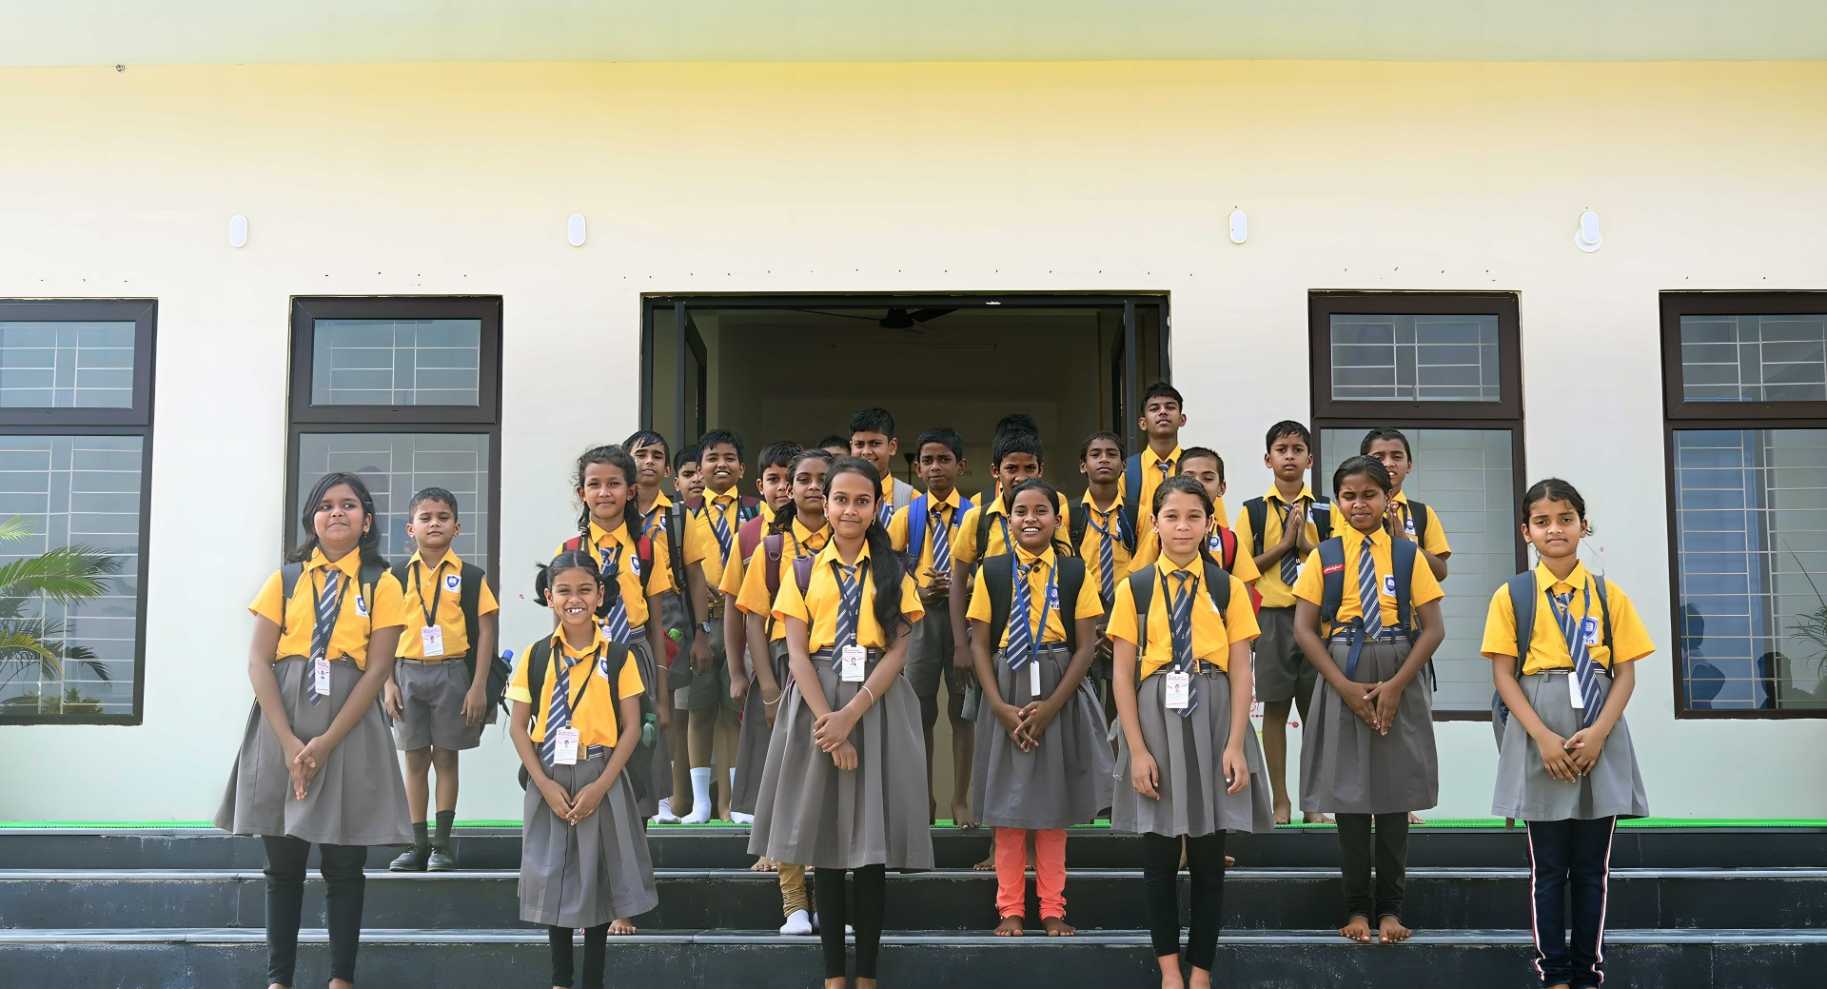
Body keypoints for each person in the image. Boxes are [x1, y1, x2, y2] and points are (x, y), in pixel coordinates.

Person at [216, 472, 412, 989]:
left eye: (349, 505)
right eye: (325, 506)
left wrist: (325, 743)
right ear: (311, 520)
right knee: (282, 865)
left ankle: (340, 979)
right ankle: (279, 978)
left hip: (349, 727)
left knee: (345, 864)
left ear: (367, 521)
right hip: (282, 719)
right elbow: (259, 662)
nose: (337, 513)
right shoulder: (285, 580)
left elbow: (376, 670)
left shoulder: (383, 583)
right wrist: (289, 742)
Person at [748, 458, 935, 989]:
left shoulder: (893, 569)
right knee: (825, 845)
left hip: (876, 704)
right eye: (840, 499)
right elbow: (798, 653)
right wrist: (828, 721)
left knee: (870, 848)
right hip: (816, 702)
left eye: (861, 500)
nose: (850, 509)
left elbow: (901, 649)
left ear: (877, 506)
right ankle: (834, 975)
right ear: (824, 504)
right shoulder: (803, 570)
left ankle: (868, 975)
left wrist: (853, 714)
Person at [1484, 478, 1651, 989]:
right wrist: (1541, 737)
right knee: (1549, 865)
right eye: (1542, 521)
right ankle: (1554, 972)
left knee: (1591, 867)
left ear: (1583, 524)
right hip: (1541, 730)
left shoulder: (1607, 594)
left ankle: (1587, 971)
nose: (1554, 529)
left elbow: (1625, 671)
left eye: (1565, 518)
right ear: (1526, 531)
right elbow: (1504, 675)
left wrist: (1599, 733)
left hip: (1598, 728)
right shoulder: (1513, 595)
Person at [1110, 476, 1272, 989]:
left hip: (1214, 713)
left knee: (1208, 858)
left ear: (1209, 525)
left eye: (1193, 517)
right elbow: (1120, 675)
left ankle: (1201, 971)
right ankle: (1168, 971)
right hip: (1155, 718)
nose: (1182, 526)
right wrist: (1136, 750)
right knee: (1158, 855)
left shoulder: (1226, 588)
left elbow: (1243, 671)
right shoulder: (1133, 588)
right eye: (1171, 516)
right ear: (1154, 523)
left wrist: (1234, 744)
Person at [1291, 455, 1445, 945]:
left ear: (1387, 498)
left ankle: (1390, 911)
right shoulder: (1324, 555)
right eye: (1349, 495)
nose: (1359, 504)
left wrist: (1397, 684)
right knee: (1350, 797)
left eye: (1369, 495)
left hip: (1397, 666)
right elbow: (1303, 628)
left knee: (1395, 796)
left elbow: (1434, 628)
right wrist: (1342, 686)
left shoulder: (1407, 554)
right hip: (1344, 670)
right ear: (1337, 502)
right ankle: (1357, 908)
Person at [966, 478, 1111, 938]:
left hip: (1057, 687)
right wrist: (998, 707)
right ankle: (1009, 907)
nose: (1030, 518)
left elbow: (1087, 645)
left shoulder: (1073, 573)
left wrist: (1050, 707)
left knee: (1053, 810)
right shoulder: (992, 571)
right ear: (1008, 521)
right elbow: (979, 644)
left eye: (1041, 510)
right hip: (1006, 687)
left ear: (1057, 517)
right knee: (1008, 813)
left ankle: (1052, 907)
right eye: (1020, 511)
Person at [509, 550, 660, 984]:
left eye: (584, 590)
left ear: (600, 597)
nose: (574, 599)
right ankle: (560, 980)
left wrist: (601, 786)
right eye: (564, 591)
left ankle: (592, 980)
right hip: (550, 775)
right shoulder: (536, 656)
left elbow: (631, 727)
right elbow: (520, 728)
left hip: (600, 774)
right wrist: (543, 783)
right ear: (549, 597)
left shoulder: (618, 658)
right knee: (553, 874)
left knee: (597, 878)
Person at [553, 444, 673, 934]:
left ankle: (627, 900)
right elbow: (561, 617)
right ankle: (591, 898)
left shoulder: (648, 546)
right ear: (582, 492)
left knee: (636, 783)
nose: (604, 493)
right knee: (588, 775)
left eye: (614, 484)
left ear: (631, 490)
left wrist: (662, 695)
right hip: (585, 669)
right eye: (594, 484)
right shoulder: (570, 552)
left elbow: (662, 620)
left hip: (636, 661)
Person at [383, 487, 501, 872]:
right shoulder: (395, 576)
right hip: (406, 671)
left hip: (453, 673)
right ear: (410, 528)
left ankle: (442, 845)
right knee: (415, 759)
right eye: (426, 517)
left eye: (443, 517)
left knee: (446, 757)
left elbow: (486, 632)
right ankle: (416, 844)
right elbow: (380, 633)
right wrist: (387, 683)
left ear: (457, 527)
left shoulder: (470, 576)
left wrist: (479, 684)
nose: (434, 523)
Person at [1233, 420, 1333, 825]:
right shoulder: (1253, 511)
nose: (1289, 456)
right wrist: (1283, 546)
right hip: (1271, 618)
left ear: (1310, 458)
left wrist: (1306, 545)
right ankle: (1281, 800)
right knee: (1275, 709)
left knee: (1316, 713)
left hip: (1315, 618)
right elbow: (1241, 572)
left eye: (1297, 449)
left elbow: (1338, 566)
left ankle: (1314, 802)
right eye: (1281, 449)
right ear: (1267, 458)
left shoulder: (1327, 509)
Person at [948, 430, 1047, 828]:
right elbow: (957, 581)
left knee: (1036, 735)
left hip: (1040, 645)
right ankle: (995, 834)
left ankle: (1039, 829)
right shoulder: (977, 518)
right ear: (995, 472)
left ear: (1042, 470)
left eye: (1029, 468)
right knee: (991, 735)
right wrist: (961, 643)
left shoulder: (1053, 512)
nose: (1020, 476)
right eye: (1011, 469)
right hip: (991, 642)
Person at [887, 427, 974, 825]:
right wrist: (917, 590)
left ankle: (961, 799)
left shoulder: (976, 516)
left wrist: (963, 583)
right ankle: (924, 800)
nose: (936, 467)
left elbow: (989, 569)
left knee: (963, 713)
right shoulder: (907, 517)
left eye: (944, 459)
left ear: (961, 465)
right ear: (917, 468)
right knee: (920, 714)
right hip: (920, 620)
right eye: (928, 460)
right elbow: (888, 572)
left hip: (965, 621)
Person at [681, 430, 760, 823]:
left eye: (730, 458)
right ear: (700, 468)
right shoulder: (684, 512)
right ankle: (701, 803)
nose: (721, 465)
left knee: (735, 711)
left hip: (741, 621)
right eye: (712, 458)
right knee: (699, 711)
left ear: (742, 468)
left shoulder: (753, 512)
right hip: (700, 623)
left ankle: (732, 801)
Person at [720, 439, 800, 825]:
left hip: (809, 653)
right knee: (768, 743)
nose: (783, 487)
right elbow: (737, 610)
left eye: (791, 479)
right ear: (759, 484)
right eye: (774, 479)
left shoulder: (823, 530)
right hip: (763, 654)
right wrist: (738, 671)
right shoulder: (750, 535)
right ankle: (766, 829)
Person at [625, 429, 694, 823]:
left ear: (668, 469)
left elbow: (693, 576)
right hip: (621, 627)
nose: (648, 461)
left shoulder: (678, 515)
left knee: (661, 710)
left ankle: (662, 797)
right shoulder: (614, 515)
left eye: (656, 456)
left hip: (666, 618)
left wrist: (699, 632)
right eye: (640, 454)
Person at [1128, 447, 1257, 582]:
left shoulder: (1229, 540)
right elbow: (1138, 582)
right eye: (1188, 477)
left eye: (1207, 478)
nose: (1197, 483)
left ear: (1221, 487)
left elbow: (1245, 591)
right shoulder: (1158, 536)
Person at [848, 407, 919, 527]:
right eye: (859, 444)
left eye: (875, 443)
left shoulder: (913, 499)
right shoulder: (837, 496)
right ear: (851, 447)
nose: (866, 452)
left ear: (892, 447)